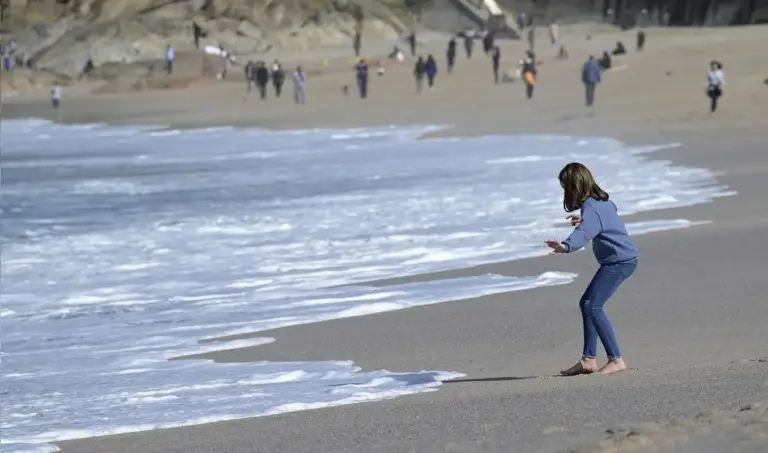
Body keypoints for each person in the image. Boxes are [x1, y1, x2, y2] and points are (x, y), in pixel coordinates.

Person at [546, 162, 639, 376]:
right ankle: (588, 360)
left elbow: (584, 233)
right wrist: (585, 219)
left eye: (565, 188)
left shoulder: (591, 208)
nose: (565, 192)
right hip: (623, 258)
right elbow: (605, 218)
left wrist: (565, 246)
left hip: (619, 261)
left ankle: (616, 359)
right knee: (587, 303)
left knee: (592, 305)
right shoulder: (602, 202)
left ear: (574, 186)